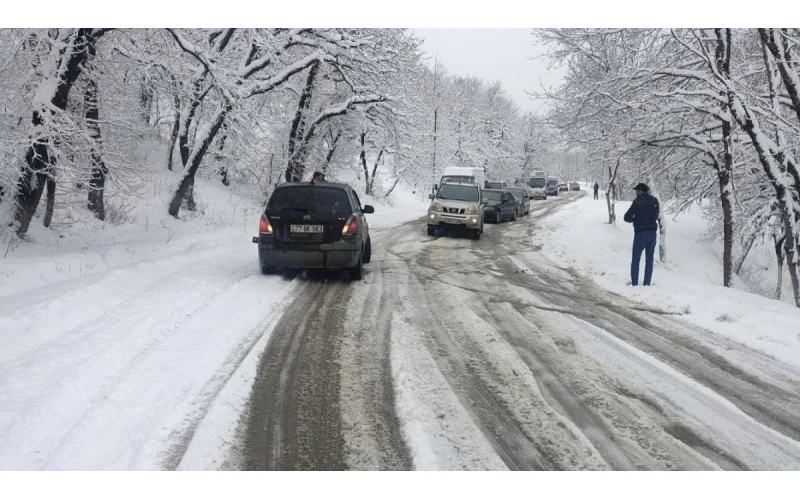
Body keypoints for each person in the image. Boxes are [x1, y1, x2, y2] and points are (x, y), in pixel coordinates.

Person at [623, 183, 660, 286]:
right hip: (652, 233)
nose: (636, 193)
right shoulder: (655, 201)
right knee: (649, 260)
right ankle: (647, 283)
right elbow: (657, 214)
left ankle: (635, 283)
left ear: (640, 192)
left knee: (636, 259)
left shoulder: (637, 202)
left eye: (637, 191)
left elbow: (627, 217)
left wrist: (636, 218)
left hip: (640, 233)